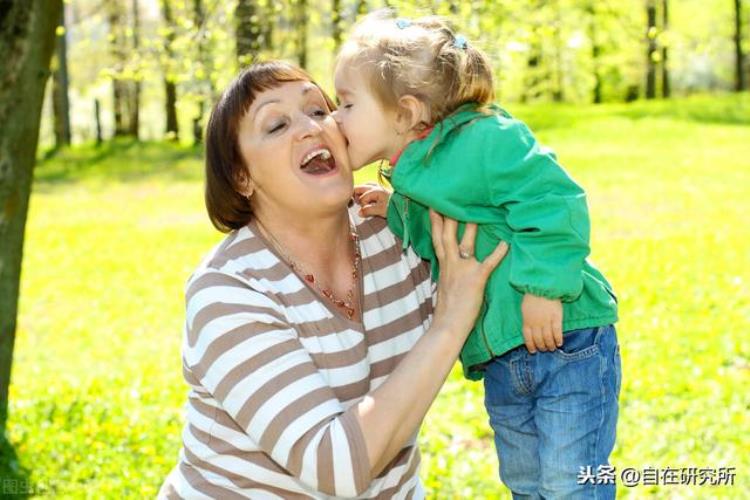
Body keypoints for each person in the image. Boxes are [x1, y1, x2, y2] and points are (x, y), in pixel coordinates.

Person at [158, 60, 507, 498]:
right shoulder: (228, 291)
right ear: (242, 177)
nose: (310, 127)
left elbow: (512, 254)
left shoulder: (398, 231)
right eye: (276, 125)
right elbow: (335, 467)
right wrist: (450, 321)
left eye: (320, 110)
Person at [332, 11, 621, 499]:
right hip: (506, 356)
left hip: (568, 337)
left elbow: (554, 200)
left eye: (346, 103)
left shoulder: (483, 138)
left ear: (404, 113)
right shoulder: (415, 168)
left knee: (571, 484)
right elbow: (460, 225)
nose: (334, 117)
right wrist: (400, 211)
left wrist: (543, 290)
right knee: (526, 483)